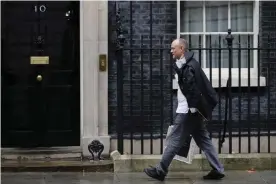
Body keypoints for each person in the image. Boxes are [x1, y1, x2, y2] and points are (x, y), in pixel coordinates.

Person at [143, 38, 225, 181]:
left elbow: (193, 90)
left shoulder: (189, 66)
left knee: (174, 139)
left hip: (187, 110)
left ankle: (160, 170)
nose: (171, 51)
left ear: (181, 48)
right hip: (192, 110)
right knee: (204, 139)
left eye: (173, 48)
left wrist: (192, 108)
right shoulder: (189, 64)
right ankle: (218, 169)